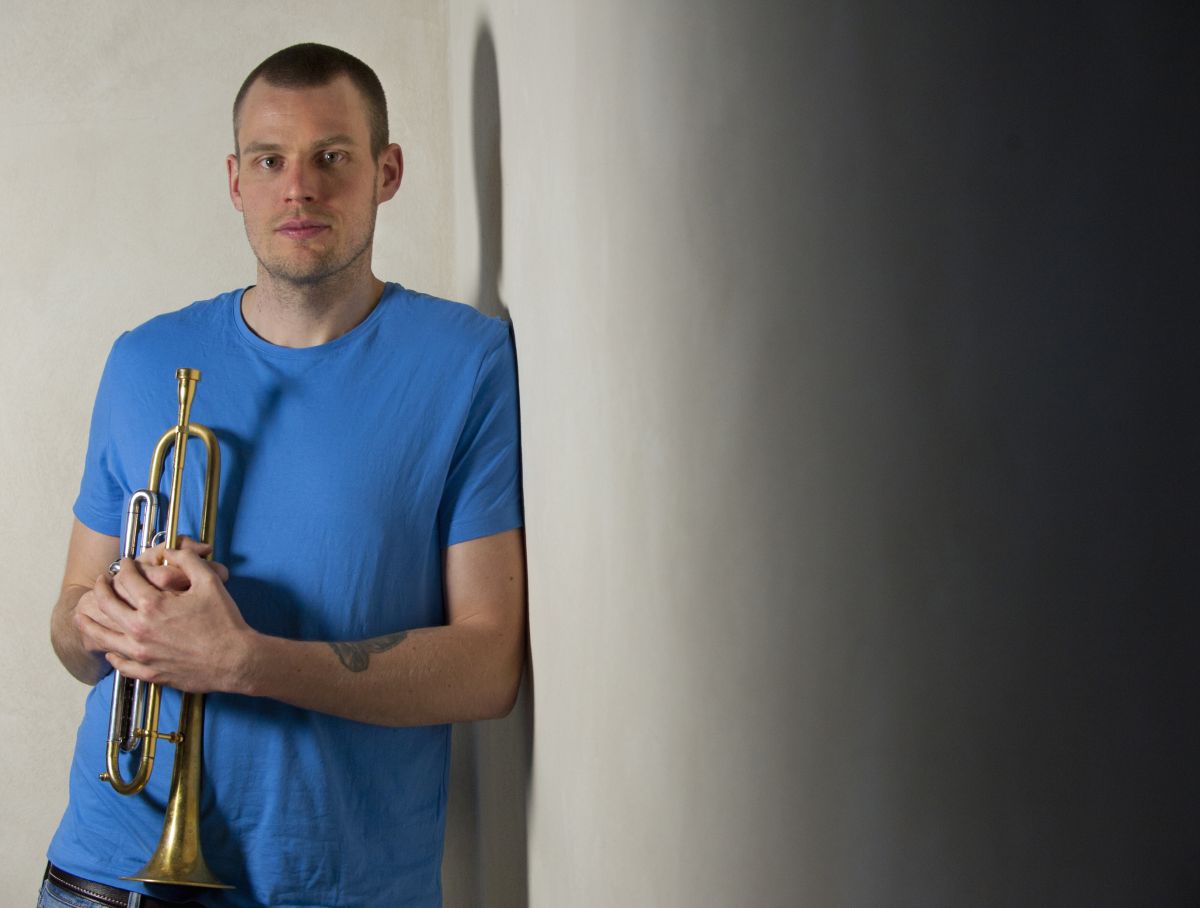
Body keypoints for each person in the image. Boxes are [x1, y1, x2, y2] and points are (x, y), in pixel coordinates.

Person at [41, 43, 525, 908]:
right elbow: (70, 627)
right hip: (111, 877)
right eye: (270, 160)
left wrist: (244, 661)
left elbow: (489, 665)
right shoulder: (143, 358)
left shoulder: (464, 360)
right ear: (236, 180)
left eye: (331, 157)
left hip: (343, 888)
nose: (298, 188)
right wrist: (107, 615)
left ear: (388, 171)